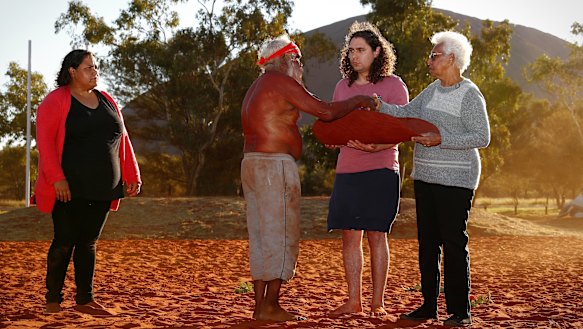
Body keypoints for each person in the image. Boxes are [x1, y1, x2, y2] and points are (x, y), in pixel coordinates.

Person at [240, 34, 377, 322]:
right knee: (281, 235)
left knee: (262, 237)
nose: (300, 64)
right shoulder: (280, 81)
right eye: (297, 59)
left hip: (252, 165)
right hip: (273, 167)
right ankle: (271, 306)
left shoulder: (257, 85)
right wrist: (360, 100)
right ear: (288, 59)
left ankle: (260, 306)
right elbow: (324, 111)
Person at [369, 31, 490, 327]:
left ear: (451, 59)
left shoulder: (470, 94)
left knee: (453, 243)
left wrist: (441, 138)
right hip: (425, 177)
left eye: (434, 56)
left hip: (457, 180)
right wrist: (379, 106)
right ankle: (427, 307)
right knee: (427, 244)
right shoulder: (432, 90)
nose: (429, 61)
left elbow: (482, 137)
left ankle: (461, 312)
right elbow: (406, 113)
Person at [34, 49, 142, 315]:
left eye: (96, 67)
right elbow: (45, 145)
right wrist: (57, 179)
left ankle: (85, 299)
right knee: (64, 241)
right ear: (72, 71)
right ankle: (53, 300)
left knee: (89, 242)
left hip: (105, 186)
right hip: (69, 187)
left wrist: (132, 174)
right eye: (89, 67)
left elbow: (123, 139)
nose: (95, 72)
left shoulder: (107, 100)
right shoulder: (55, 101)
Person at [326, 21, 409, 317]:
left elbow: (403, 127)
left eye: (361, 50)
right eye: (351, 51)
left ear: (377, 52)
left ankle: (378, 303)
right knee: (350, 236)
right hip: (348, 169)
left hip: (382, 168)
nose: (354, 56)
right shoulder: (342, 87)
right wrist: (332, 139)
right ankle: (353, 301)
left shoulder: (394, 85)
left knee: (376, 235)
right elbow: (334, 124)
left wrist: (381, 147)